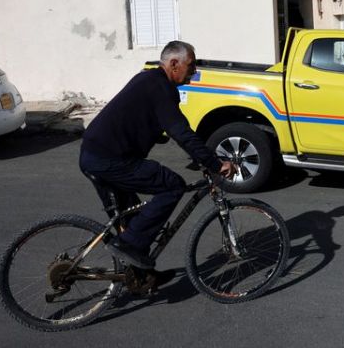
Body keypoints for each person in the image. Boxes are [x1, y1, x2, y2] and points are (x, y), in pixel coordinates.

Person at [79, 40, 233, 279]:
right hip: (109, 159)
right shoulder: (160, 88)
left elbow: (142, 118)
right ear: (174, 64)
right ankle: (127, 245)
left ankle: (141, 276)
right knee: (172, 186)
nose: (194, 72)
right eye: (190, 66)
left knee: (133, 220)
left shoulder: (149, 79)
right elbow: (181, 132)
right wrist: (215, 163)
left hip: (97, 154)